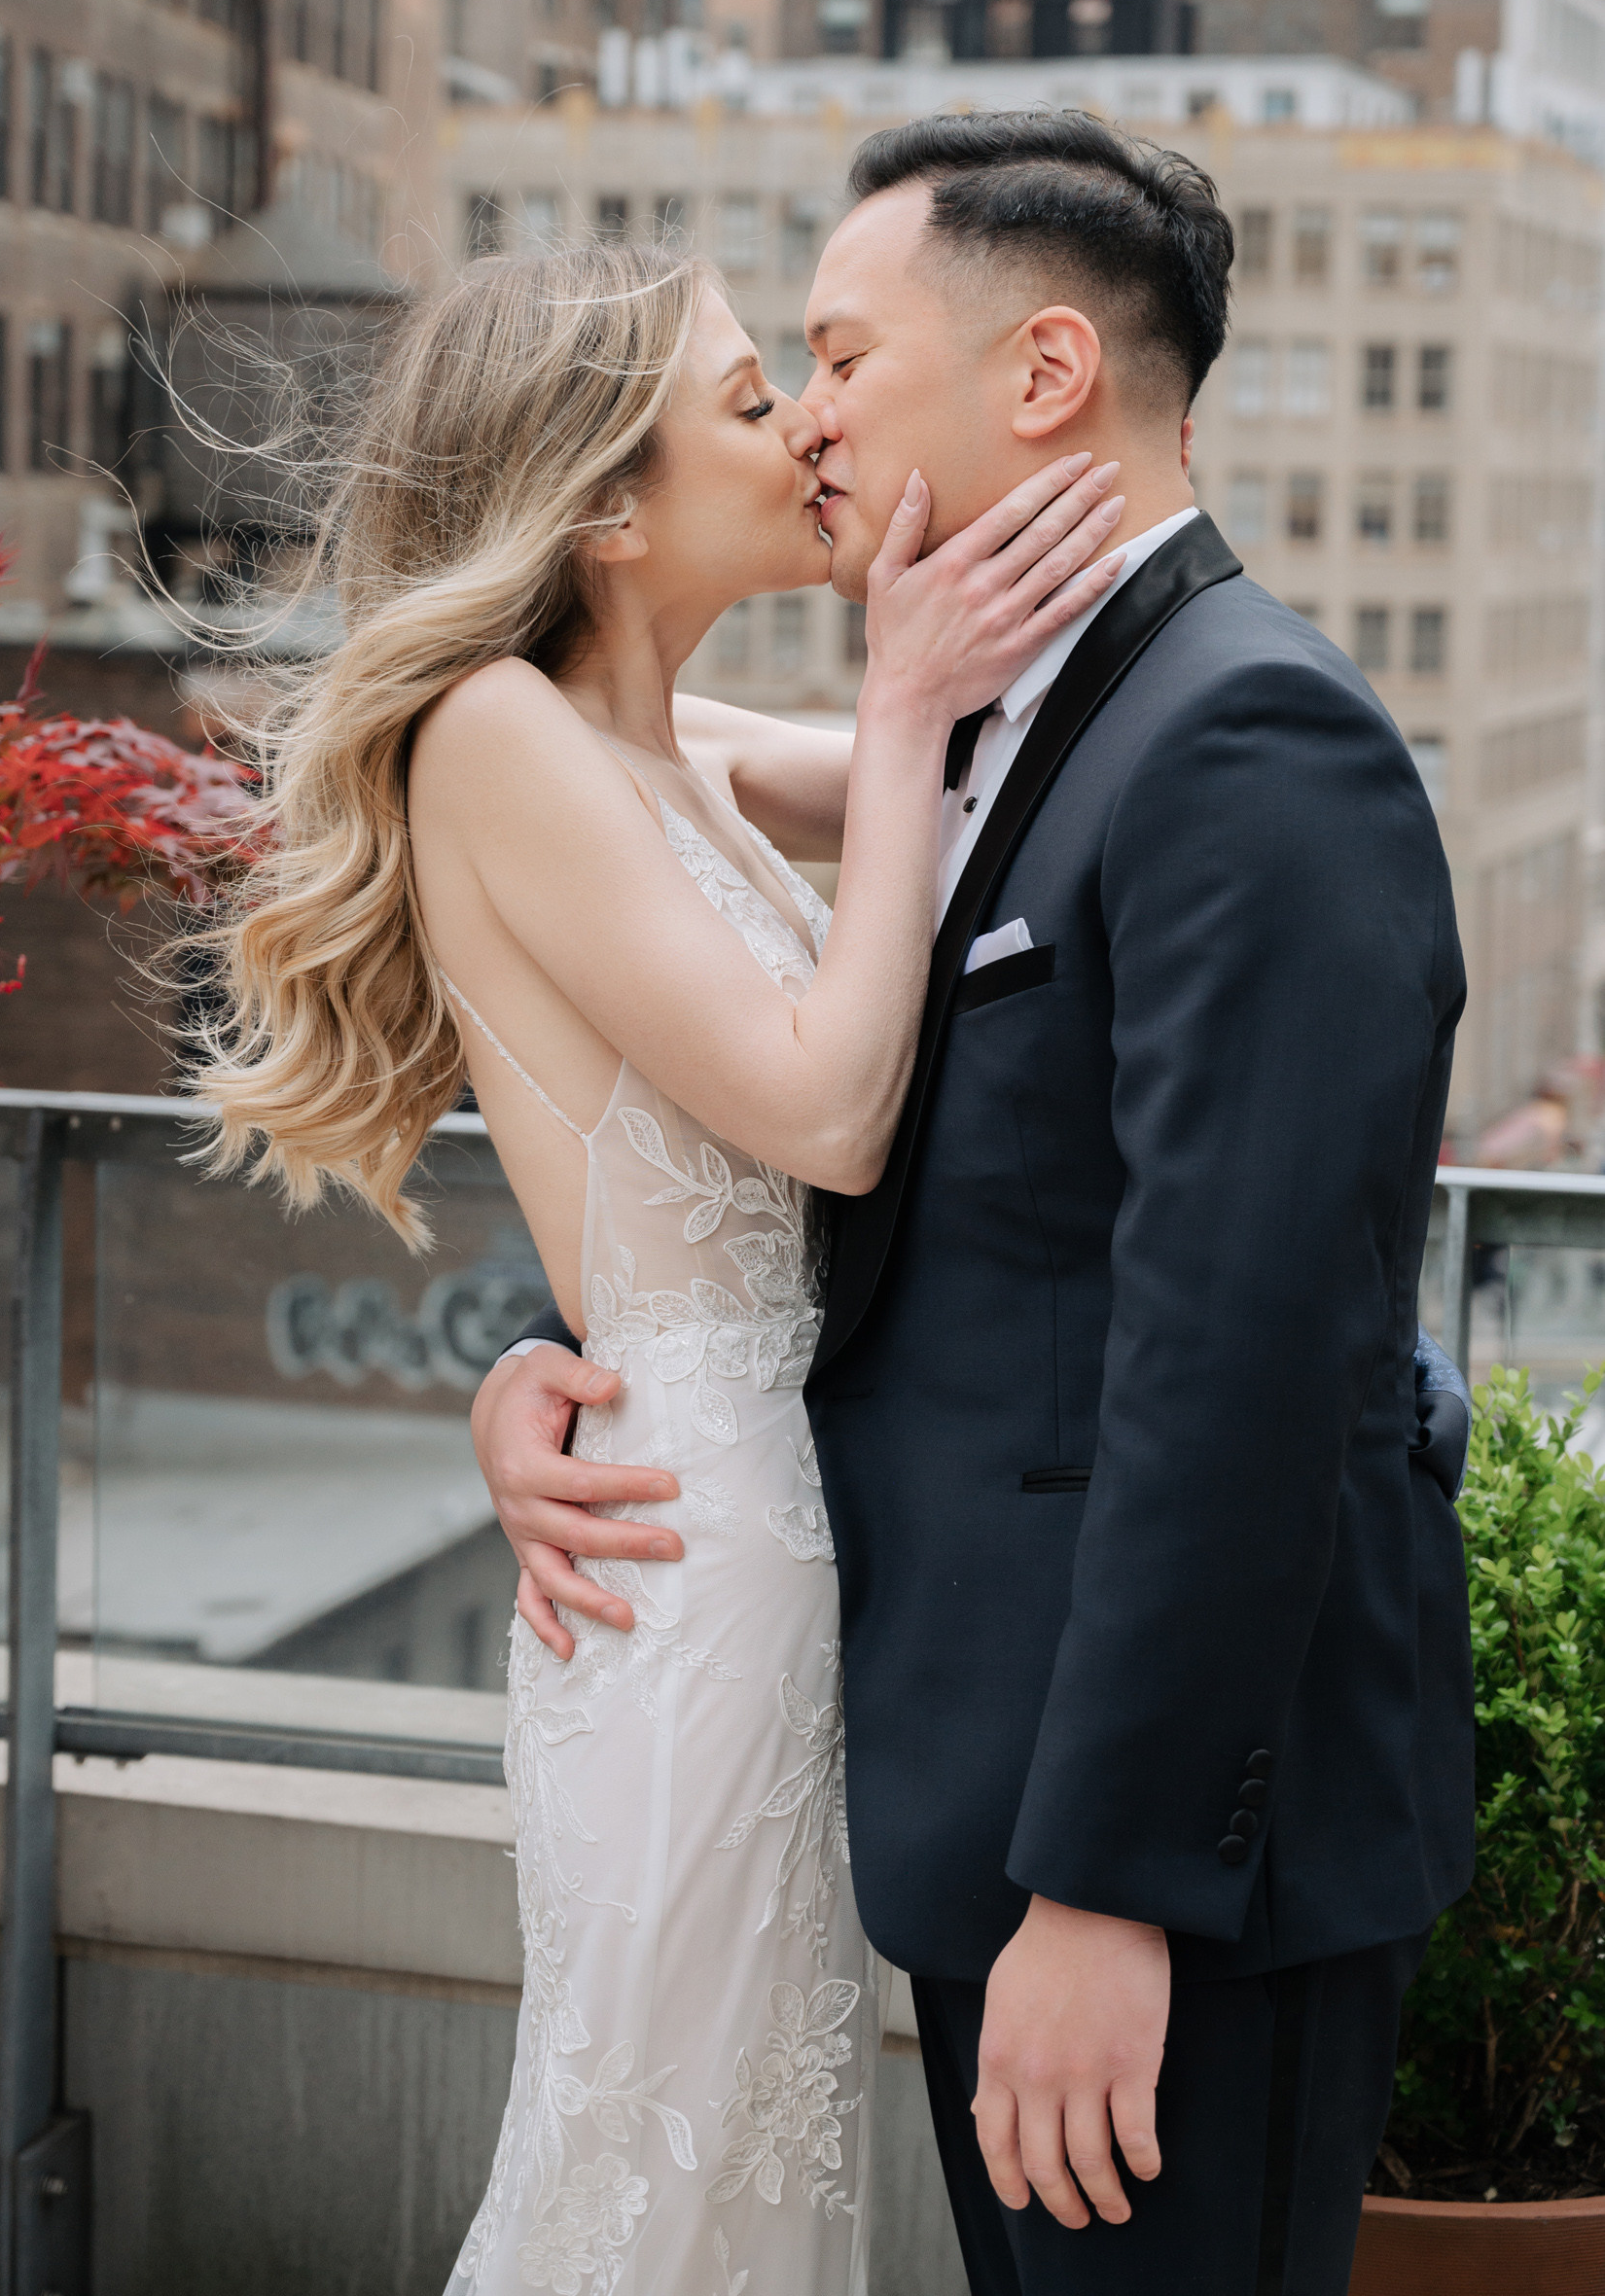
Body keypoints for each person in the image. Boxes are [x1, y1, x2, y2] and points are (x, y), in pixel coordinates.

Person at [474, 111, 1477, 2295]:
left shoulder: (1246, 739)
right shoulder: (990, 725)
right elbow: (903, 1189)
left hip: (1153, 1872)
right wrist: (568, 1356)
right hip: (964, 1791)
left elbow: (1244, 1356)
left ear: (1036, 378)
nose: (810, 418)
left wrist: (1110, 1892)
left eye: (831, 354)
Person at [193, 236, 1127, 2295]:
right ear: (603, 510)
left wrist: (952, 646)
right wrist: (891, 701)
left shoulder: (667, 742)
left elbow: (1002, 782)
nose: (799, 422)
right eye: (742, 398)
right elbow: (823, 1111)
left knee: (733, 2176)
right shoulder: (494, 740)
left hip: (751, 1534)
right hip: (685, 1561)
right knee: (646, 2176)